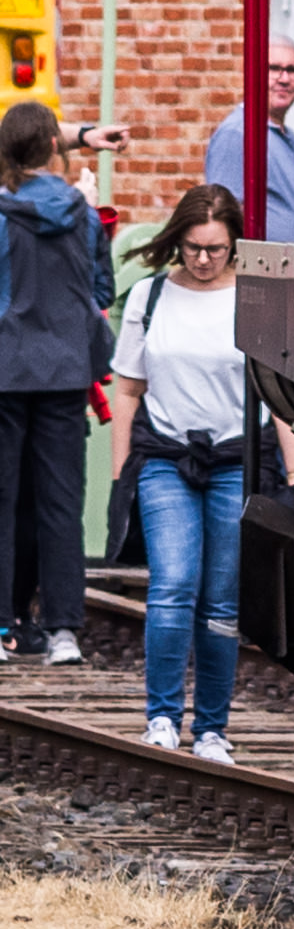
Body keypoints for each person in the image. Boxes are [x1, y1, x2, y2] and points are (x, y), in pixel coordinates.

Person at [103, 183, 294, 760]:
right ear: (177, 242)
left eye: (215, 248)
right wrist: (120, 477)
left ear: (235, 243)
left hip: (236, 460)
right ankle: (161, 717)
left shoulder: (256, 300)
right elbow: (128, 390)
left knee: (221, 601)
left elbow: (281, 400)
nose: (204, 258)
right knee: (172, 586)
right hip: (165, 458)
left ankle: (212, 727)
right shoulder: (150, 297)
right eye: (193, 247)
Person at [0, 98, 111, 667]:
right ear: (53, 148)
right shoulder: (84, 215)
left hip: (5, 371)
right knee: (62, 502)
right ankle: (64, 629)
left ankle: (3, 626)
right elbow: (101, 292)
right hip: (66, 374)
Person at [199, 39, 294, 251]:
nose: (284, 79)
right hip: (269, 268)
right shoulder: (239, 134)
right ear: (253, 73)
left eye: (292, 70)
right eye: (274, 69)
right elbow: (222, 217)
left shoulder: (286, 136)